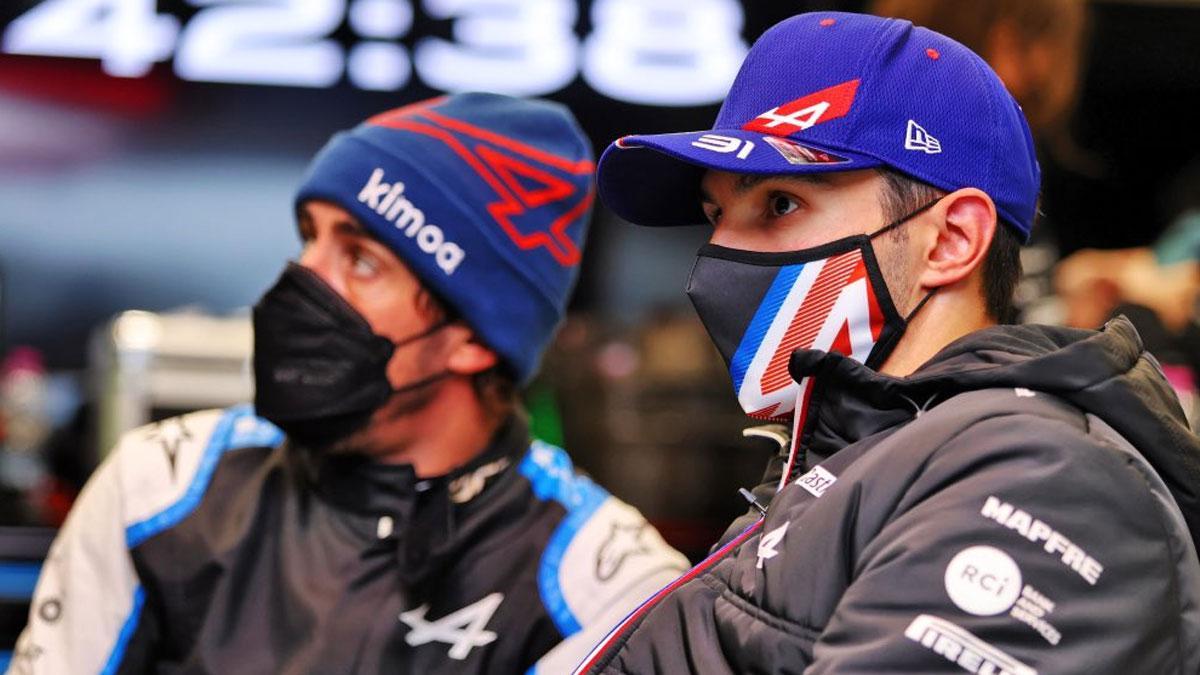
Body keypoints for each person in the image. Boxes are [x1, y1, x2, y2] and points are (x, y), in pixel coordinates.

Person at [578, 12, 1200, 674]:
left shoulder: (1044, 475)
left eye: (780, 204)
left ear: (952, 239)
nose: (720, 255)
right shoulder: (843, 467)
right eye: (716, 216)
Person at [10, 93, 688, 674]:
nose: (303, 279)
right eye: (311, 237)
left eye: (361, 259)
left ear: (473, 337)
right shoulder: (159, 487)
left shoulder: (604, 586)